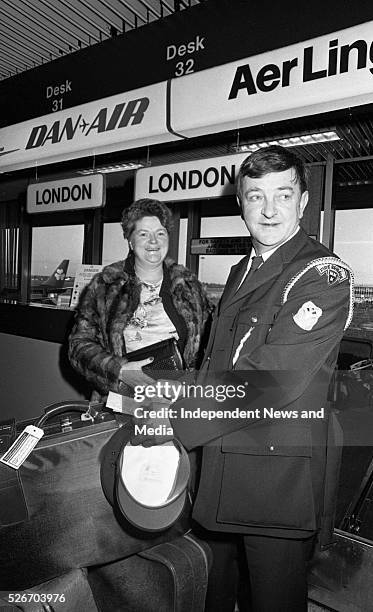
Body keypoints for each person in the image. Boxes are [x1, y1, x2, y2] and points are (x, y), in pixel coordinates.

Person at [132, 146, 354, 611]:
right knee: (214, 589)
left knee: (271, 597)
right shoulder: (243, 269)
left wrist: (175, 420)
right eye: (256, 196)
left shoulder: (322, 274)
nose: (269, 209)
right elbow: (223, 363)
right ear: (241, 203)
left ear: (304, 200)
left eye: (283, 194)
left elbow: (273, 378)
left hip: (275, 477)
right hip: (222, 459)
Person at [68, 198, 211, 402]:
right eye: (143, 234)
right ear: (130, 240)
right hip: (123, 400)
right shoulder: (106, 285)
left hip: (178, 403)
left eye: (160, 233)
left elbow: (209, 343)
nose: (154, 241)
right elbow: (78, 345)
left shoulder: (188, 286)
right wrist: (118, 370)